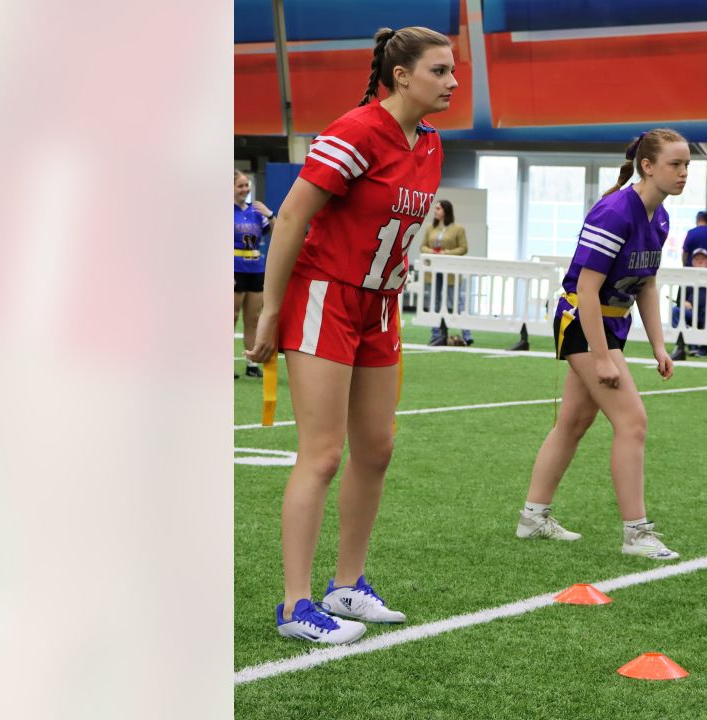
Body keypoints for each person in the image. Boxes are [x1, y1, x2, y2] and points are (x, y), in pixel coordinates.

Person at [244, 26, 455, 644]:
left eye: (452, 70)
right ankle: (295, 604)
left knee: (377, 448)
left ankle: (348, 586)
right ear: (402, 76)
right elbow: (290, 218)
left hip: (379, 306)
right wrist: (270, 310)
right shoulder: (355, 131)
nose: (452, 81)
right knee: (323, 453)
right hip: (324, 296)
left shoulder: (431, 145)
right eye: (440, 71)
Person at [516, 128, 689, 561]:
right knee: (633, 422)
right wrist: (600, 356)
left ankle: (532, 517)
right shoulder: (614, 212)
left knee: (573, 423)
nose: (684, 172)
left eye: (687, 164)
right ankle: (636, 533)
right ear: (647, 166)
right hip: (583, 323)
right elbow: (588, 290)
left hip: (609, 328)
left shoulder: (661, 217)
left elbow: (646, 284)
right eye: (675, 164)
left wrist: (659, 346)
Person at [235, 169, 275, 378]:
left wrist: (269, 214)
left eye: (246, 185)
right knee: (230, 318)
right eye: (240, 185)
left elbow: (279, 231)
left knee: (253, 319)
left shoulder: (256, 212)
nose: (245, 189)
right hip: (235, 270)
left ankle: (251, 364)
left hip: (255, 270)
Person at [422, 199, 472, 346]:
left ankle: (467, 335)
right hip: (434, 271)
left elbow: (463, 248)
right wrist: (432, 252)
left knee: (456, 302)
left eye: (438, 208)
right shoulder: (430, 228)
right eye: (435, 208)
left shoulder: (458, 228)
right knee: (434, 302)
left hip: (451, 271)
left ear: (446, 211)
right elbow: (423, 246)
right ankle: (436, 334)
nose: (435, 211)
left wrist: (447, 253)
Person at [681, 210, 707, 357]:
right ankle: (698, 347)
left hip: (693, 277)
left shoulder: (691, 233)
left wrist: (686, 268)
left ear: (697, 220)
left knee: (699, 308)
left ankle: (695, 346)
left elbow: (684, 254)